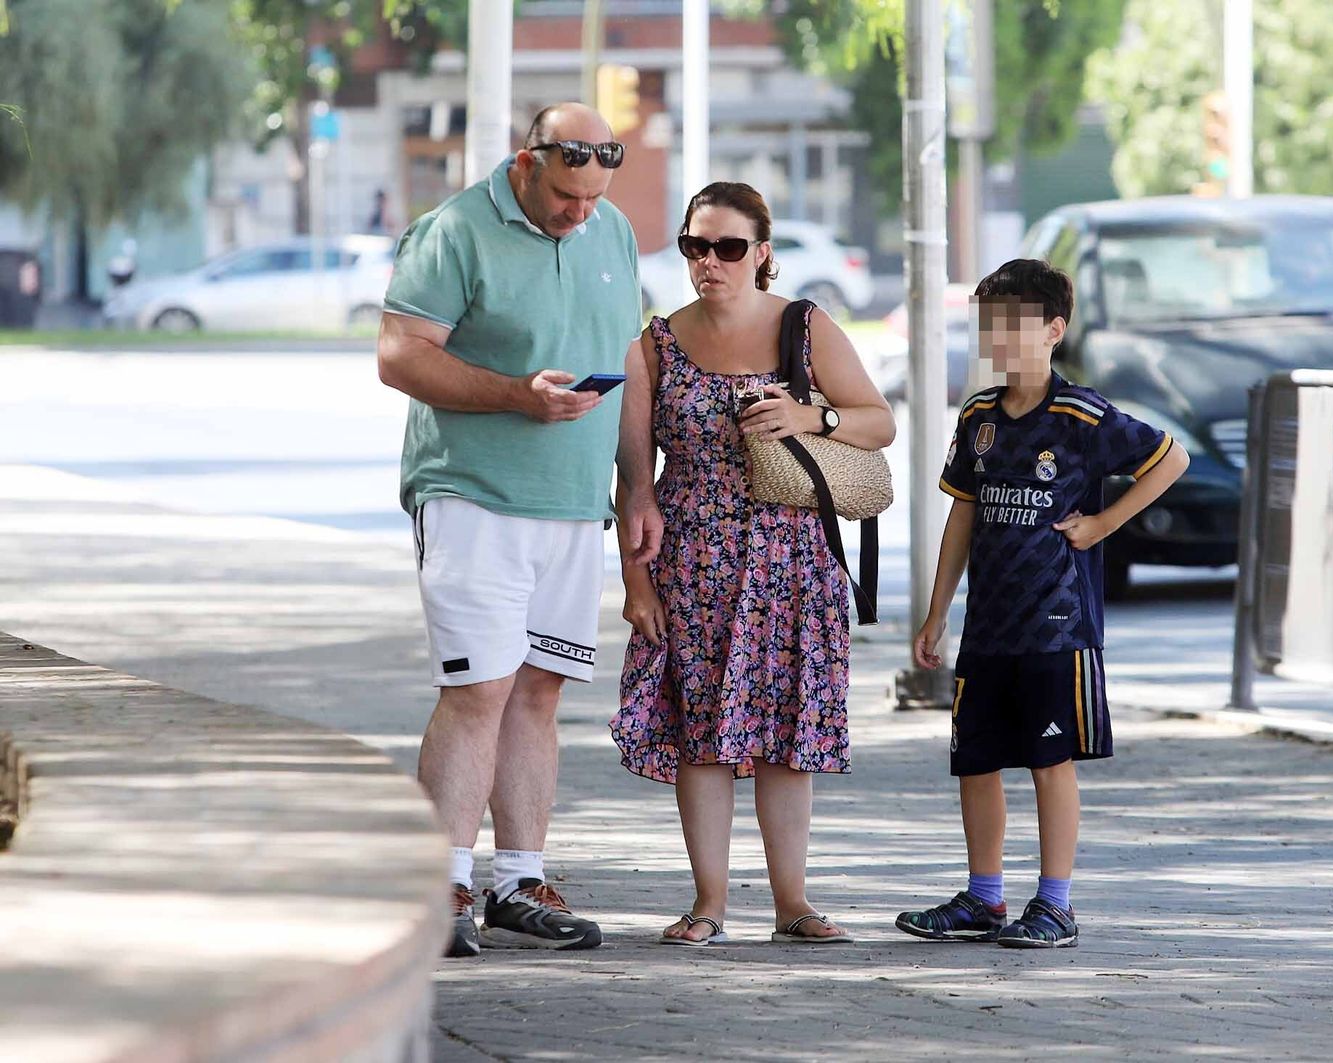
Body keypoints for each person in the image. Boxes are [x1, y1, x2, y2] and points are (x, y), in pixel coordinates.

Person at [376, 103, 657, 958]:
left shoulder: (610, 232)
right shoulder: (452, 230)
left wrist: (638, 485)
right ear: (527, 163)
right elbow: (399, 354)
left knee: (539, 691)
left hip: (574, 505)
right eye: (568, 195)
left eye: (595, 195)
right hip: (473, 494)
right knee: (479, 690)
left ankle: (518, 881)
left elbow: (631, 361)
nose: (582, 212)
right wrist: (516, 395)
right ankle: (444, 883)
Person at [610, 182, 894, 946]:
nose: (710, 262)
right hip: (693, 560)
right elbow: (633, 480)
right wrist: (636, 582)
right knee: (703, 735)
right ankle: (708, 901)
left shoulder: (804, 327)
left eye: (728, 247)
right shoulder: (655, 344)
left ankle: (792, 902)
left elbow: (879, 421)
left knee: (783, 735)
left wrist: (812, 414)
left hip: (792, 559)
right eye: (695, 247)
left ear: (761, 253)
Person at [896, 258, 1189, 949]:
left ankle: (1055, 903)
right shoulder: (979, 417)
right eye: (987, 326)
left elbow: (1168, 459)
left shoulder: (1081, 414)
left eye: (1013, 326)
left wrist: (1103, 524)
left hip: (1059, 627)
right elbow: (962, 515)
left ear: (1053, 330)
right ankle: (983, 897)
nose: (997, 339)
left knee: (1047, 762)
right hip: (988, 627)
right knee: (975, 759)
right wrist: (938, 610)